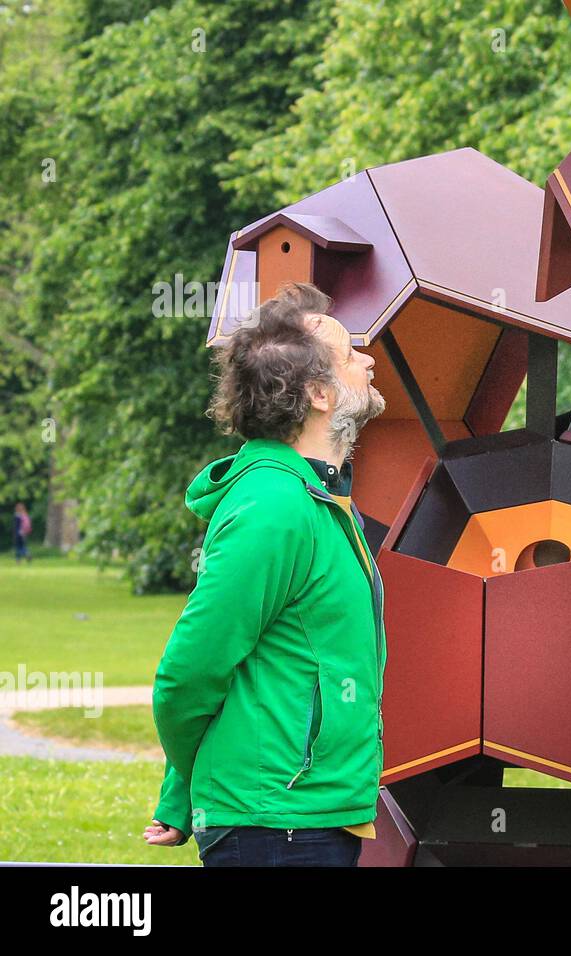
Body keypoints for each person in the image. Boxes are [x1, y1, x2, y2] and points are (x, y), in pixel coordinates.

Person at [141, 281, 388, 866]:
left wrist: (179, 792)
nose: (370, 358)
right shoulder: (275, 509)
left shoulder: (315, 498)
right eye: (352, 352)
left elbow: (245, 674)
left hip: (306, 817)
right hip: (277, 826)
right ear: (321, 394)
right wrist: (193, 789)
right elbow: (188, 676)